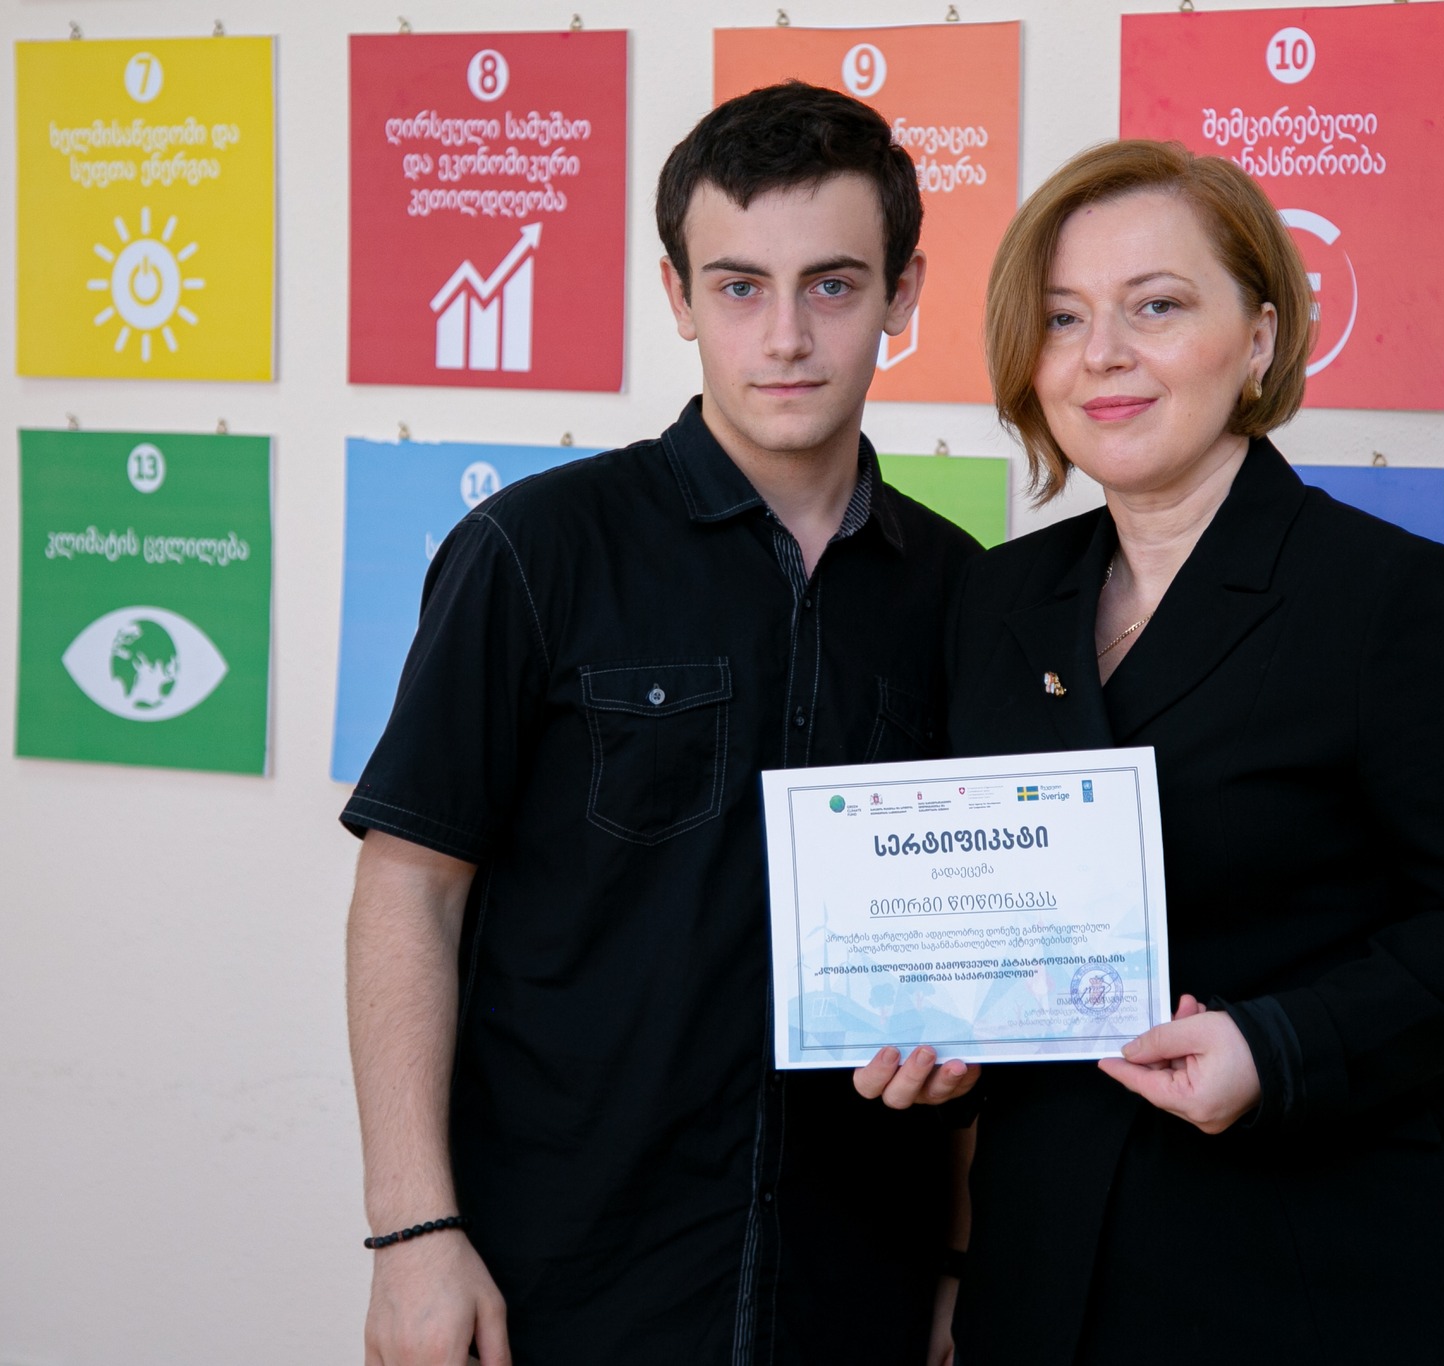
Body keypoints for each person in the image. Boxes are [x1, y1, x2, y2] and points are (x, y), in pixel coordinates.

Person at [858, 140, 1444, 1365]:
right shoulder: (994, 601)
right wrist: (942, 1047)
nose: (1102, 354)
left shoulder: (1384, 597)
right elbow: (985, 912)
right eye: (1063, 317)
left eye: (1155, 306)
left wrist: (1276, 1046)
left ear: (1258, 336)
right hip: (1046, 1273)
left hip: (1323, 1273)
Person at [342, 82, 980, 1364]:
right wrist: (413, 1235)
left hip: (852, 1281)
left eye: (833, 285)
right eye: (739, 287)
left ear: (903, 295)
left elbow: (976, 965)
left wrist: (964, 1259)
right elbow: (409, 892)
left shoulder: (963, 592)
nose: (786, 336)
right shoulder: (533, 551)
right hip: (561, 1278)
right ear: (678, 297)